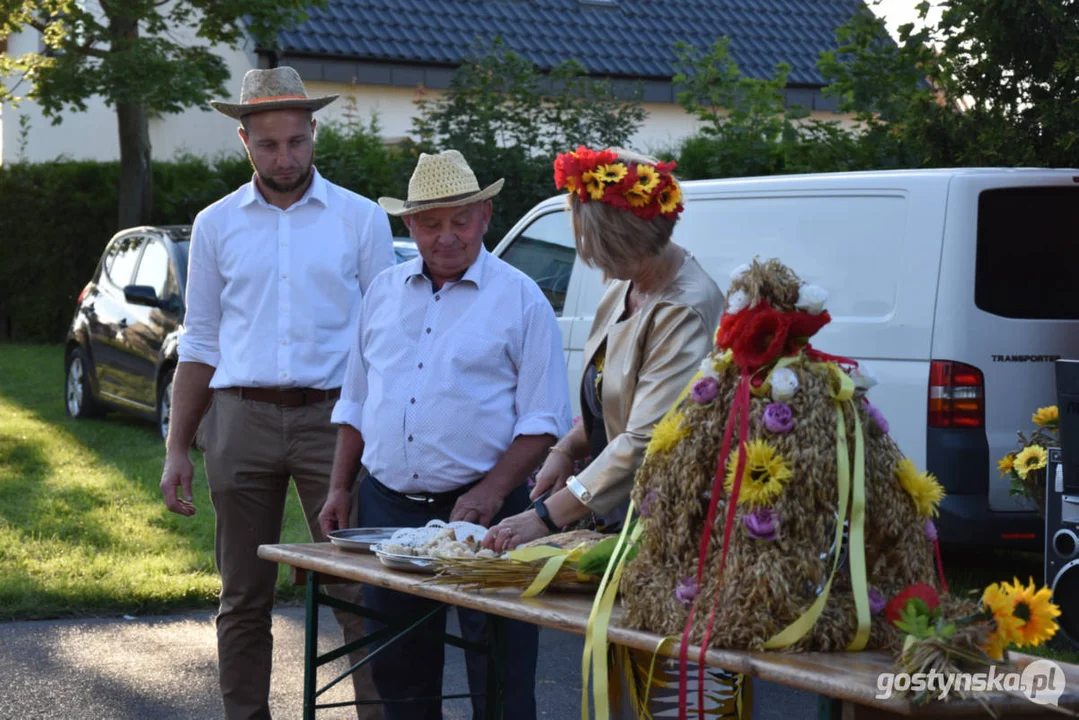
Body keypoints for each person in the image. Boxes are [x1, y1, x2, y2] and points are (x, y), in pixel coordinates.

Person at [159, 66, 395, 720]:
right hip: (239, 422)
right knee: (242, 597)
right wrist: (177, 447)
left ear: (313, 132)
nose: (284, 156)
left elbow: (389, 335)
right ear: (243, 142)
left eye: (295, 141)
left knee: (357, 590)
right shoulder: (215, 224)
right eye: (268, 144)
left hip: (338, 423)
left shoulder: (361, 219)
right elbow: (200, 340)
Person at [483, 147, 748, 718]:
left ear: (637, 239)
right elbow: (610, 404)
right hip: (624, 522)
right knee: (621, 685)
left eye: (608, 255)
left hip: (679, 534)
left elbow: (647, 437)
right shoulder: (625, 287)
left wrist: (546, 515)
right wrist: (566, 447)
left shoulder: (685, 306)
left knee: (673, 694)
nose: (599, 268)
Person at [318, 149, 572, 720]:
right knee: (399, 671)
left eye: (461, 220)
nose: (447, 236)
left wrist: (488, 491)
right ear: (409, 225)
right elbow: (356, 401)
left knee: (500, 674)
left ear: (485, 216)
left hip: (490, 516)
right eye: (430, 223)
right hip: (387, 510)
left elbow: (543, 420)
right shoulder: (381, 292)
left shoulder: (521, 298)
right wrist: (340, 487)